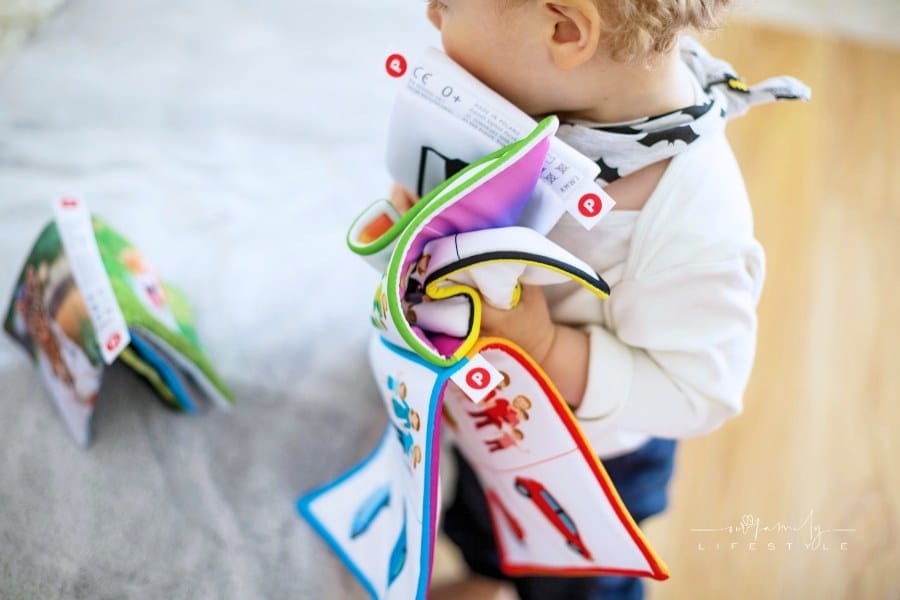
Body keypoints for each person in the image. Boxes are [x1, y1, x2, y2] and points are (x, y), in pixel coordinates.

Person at [389, 1, 808, 598]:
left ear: (565, 29)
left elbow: (701, 393)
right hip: (489, 423)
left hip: (589, 466)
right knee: (481, 522)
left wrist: (545, 346)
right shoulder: (536, 92)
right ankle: (488, 575)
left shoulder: (693, 226)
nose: (431, 14)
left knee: (574, 582)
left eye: (449, 2)